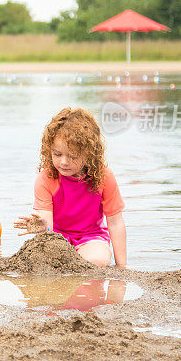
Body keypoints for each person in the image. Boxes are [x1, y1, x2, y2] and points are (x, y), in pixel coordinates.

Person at [13, 107, 127, 268]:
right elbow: (47, 223)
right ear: (49, 151)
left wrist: (122, 267)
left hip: (91, 238)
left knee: (98, 260)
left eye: (72, 155)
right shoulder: (46, 178)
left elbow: (115, 223)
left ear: (89, 153)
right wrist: (42, 226)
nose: (64, 162)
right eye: (57, 154)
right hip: (58, 239)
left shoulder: (104, 176)